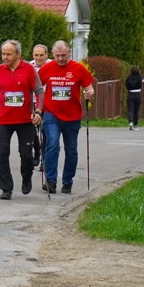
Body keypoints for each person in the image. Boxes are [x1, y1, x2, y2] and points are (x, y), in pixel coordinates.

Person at [0, 40, 43, 200]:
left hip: (25, 120)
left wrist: (38, 111)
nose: (5, 57)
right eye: (3, 54)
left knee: (26, 155)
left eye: (9, 54)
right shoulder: (0, 71)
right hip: (4, 119)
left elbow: (39, 91)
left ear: (18, 54)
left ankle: (26, 177)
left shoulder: (29, 69)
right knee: (2, 153)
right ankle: (6, 188)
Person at [38, 40, 95, 194]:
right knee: (52, 144)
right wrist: (37, 109)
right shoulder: (46, 68)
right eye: (57, 56)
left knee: (71, 150)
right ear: (52, 54)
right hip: (52, 114)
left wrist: (89, 93)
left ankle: (67, 182)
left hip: (72, 116)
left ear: (70, 52)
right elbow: (36, 88)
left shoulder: (78, 69)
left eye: (63, 55)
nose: (61, 59)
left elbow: (90, 88)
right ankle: (50, 181)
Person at [125, 65, 144, 130]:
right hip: (137, 94)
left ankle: (130, 122)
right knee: (136, 110)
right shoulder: (140, 78)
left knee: (130, 110)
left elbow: (126, 85)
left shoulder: (128, 78)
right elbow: (141, 85)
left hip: (130, 94)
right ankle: (135, 125)